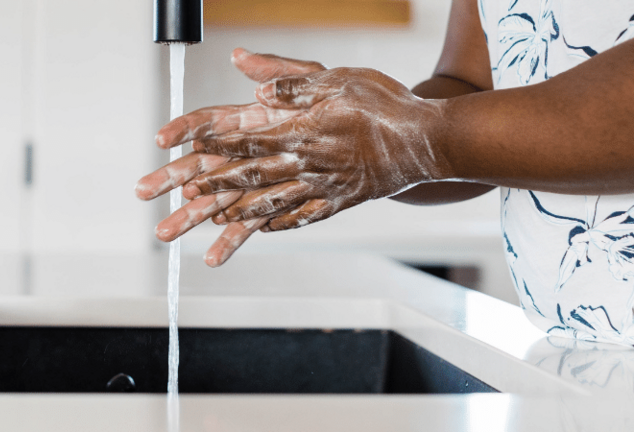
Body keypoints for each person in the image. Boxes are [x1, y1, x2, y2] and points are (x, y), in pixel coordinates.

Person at [135, 0, 634, 345]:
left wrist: (420, 137)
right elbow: (471, 89)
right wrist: (350, 130)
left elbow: (440, 134)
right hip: (573, 349)